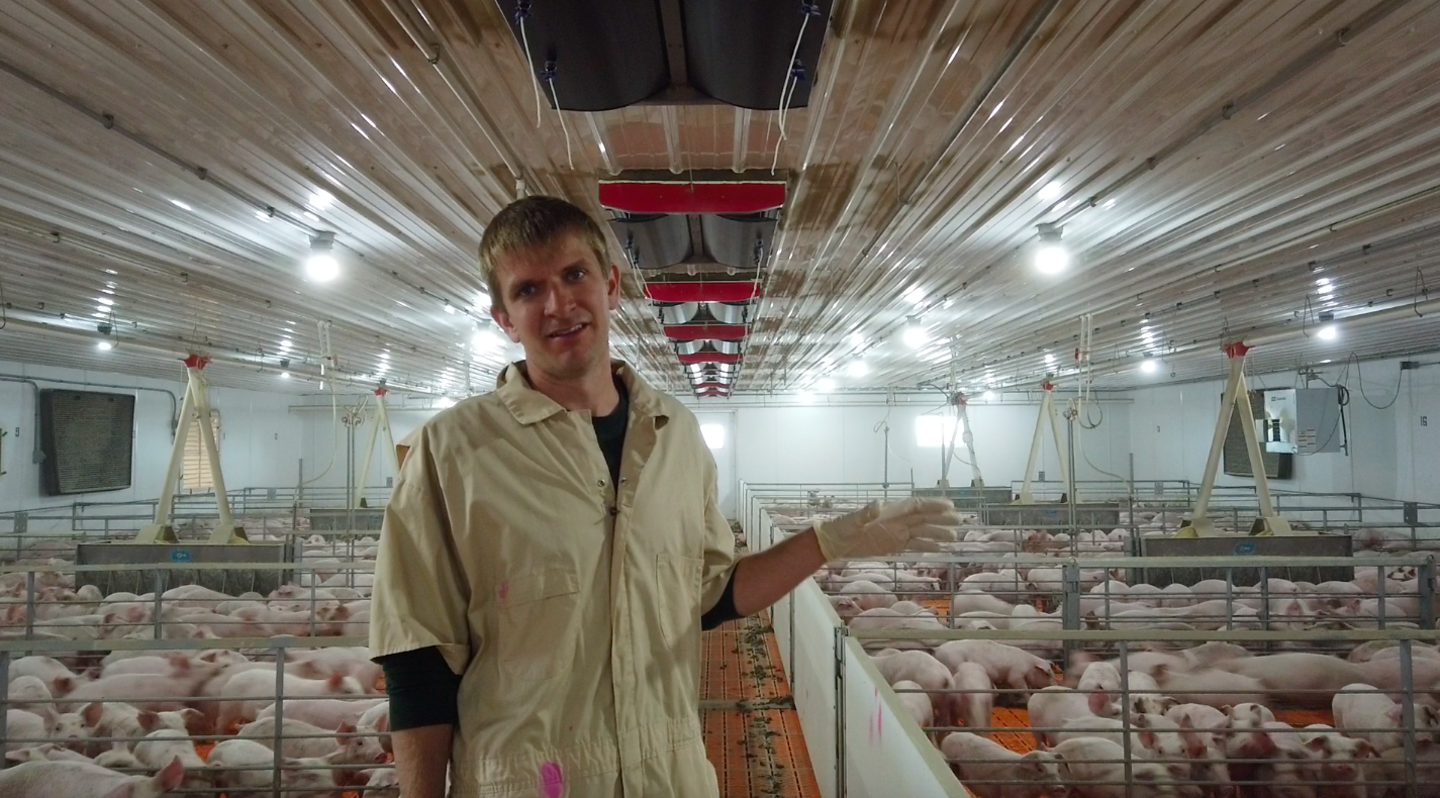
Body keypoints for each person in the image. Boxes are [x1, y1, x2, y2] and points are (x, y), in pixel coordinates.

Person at [369, 195, 961, 798]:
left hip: (672, 777)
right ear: (503, 318)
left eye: (574, 275)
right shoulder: (450, 453)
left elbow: (709, 594)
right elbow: (416, 662)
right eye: (527, 290)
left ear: (611, 285)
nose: (558, 304)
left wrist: (827, 542)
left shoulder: (674, 433)